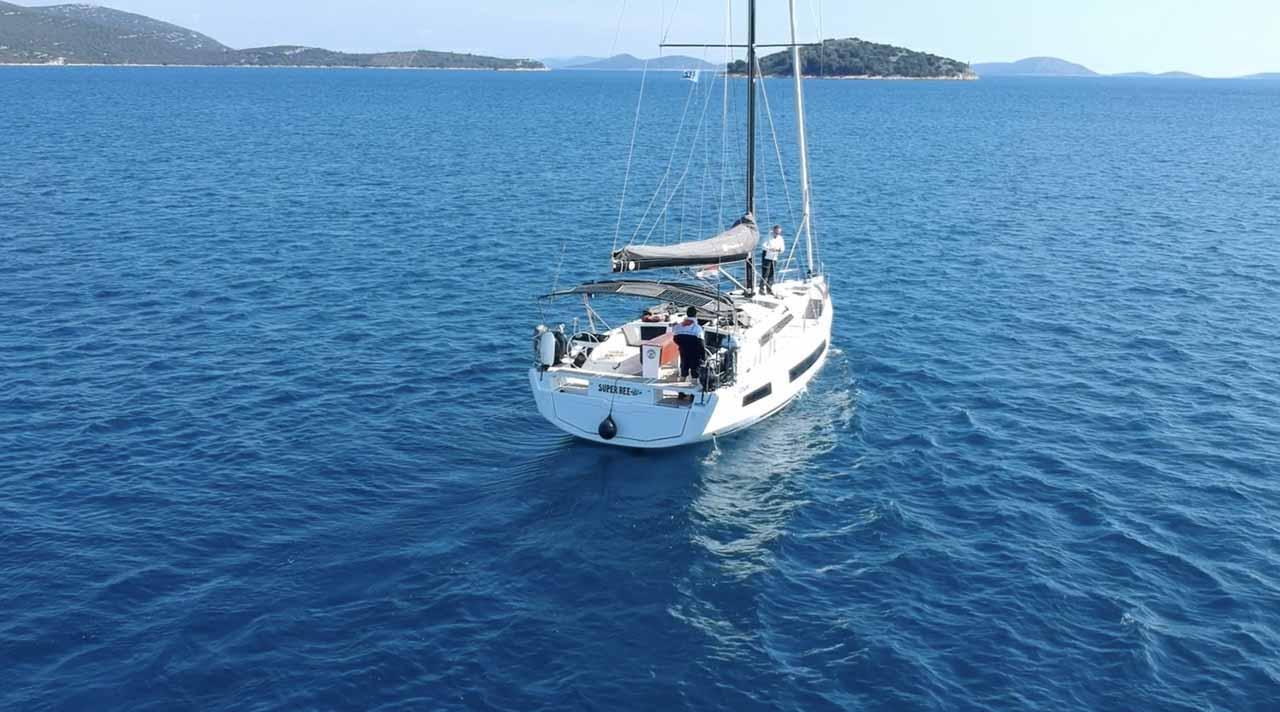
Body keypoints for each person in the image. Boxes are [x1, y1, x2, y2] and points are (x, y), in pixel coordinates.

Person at [672, 306, 706, 382]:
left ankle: (681, 386)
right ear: (695, 315)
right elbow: (701, 344)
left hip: (683, 351)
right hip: (695, 353)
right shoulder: (698, 328)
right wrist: (704, 357)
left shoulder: (679, 326)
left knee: (684, 369)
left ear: (687, 314)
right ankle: (694, 385)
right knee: (695, 371)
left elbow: (675, 338)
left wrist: (682, 345)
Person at [761, 225, 785, 295]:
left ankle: (769, 289)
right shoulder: (768, 237)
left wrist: (779, 250)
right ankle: (761, 289)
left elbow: (782, 248)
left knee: (772, 274)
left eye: (778, 233)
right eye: (776, 232)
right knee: (765, 273)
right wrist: (770, 249)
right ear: (773, 231)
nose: (777, 234)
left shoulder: (780, 238)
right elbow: (763, 246)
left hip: (774, 257)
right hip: (767, 257)